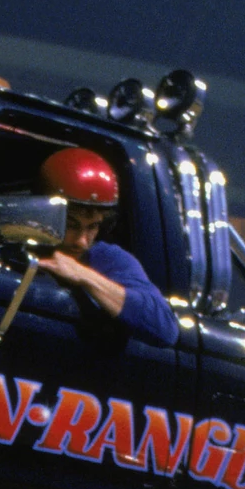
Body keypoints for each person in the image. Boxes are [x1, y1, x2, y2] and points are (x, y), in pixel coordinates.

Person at [33, 148, 179, 348]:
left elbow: (165, 328)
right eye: (72, 225)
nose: (82, 241)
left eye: (92, 226)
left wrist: (84, 275)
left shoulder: (108, 259)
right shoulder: (8, 244)